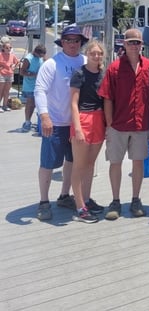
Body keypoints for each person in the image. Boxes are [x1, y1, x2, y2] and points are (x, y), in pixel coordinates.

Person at [97, 28, 149, 221]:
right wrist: (109, 124)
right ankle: (115, 200)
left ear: (142, 45)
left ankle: (136, 199)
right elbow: (107, 98)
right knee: (115, 163)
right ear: (124, 44)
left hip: (140, 125)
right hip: (118, 125)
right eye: (130, 42)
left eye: (137, 42)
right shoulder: (114, 68)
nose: (134, 46)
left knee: (138, 162)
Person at [34, 26, 89, 221]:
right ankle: (43, 201)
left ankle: (65, 195)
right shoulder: (51, 64)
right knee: (48, 163)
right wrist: (44, 116)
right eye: (68, 40)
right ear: (62, 42)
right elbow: (39, 90)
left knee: (72, 161)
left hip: (76, 124)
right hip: (55, 122)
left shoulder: (85, 61)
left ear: (81, 42)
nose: (73, 44)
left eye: (76, 40)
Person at [70, 40, 106, 224]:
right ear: (87, 54)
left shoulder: (102, 74)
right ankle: (79, 206)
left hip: (99, 119)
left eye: (99, 53)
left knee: (91, 164)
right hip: (83, 119)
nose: (96, 56)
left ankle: (86, 199)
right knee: (79, 165)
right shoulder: (79, 74)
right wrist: (77, 128)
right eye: (93, 53)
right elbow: (73, 103)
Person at [20, 44, 46, 132]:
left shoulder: (41, 58)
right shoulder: (28, 59)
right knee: (30, 104)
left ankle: (37, 122)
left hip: (39, 85)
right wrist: (34, 75)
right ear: (36, 52)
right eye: (40, 55)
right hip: (29, 85)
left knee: (37, 104)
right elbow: (22, 72)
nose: (41, 57)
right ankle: (27, 122)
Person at [0, 41, 19, 113]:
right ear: (3, 48)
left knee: (7, 91)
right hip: (2, 74)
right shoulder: (0, 55)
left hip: (10, 74)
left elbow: (17, 62)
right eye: (7, 48)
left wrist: (14, 67)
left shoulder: (12, 55)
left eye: (10, 47)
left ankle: (4, 105)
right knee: (1, 90)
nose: (9, 49)